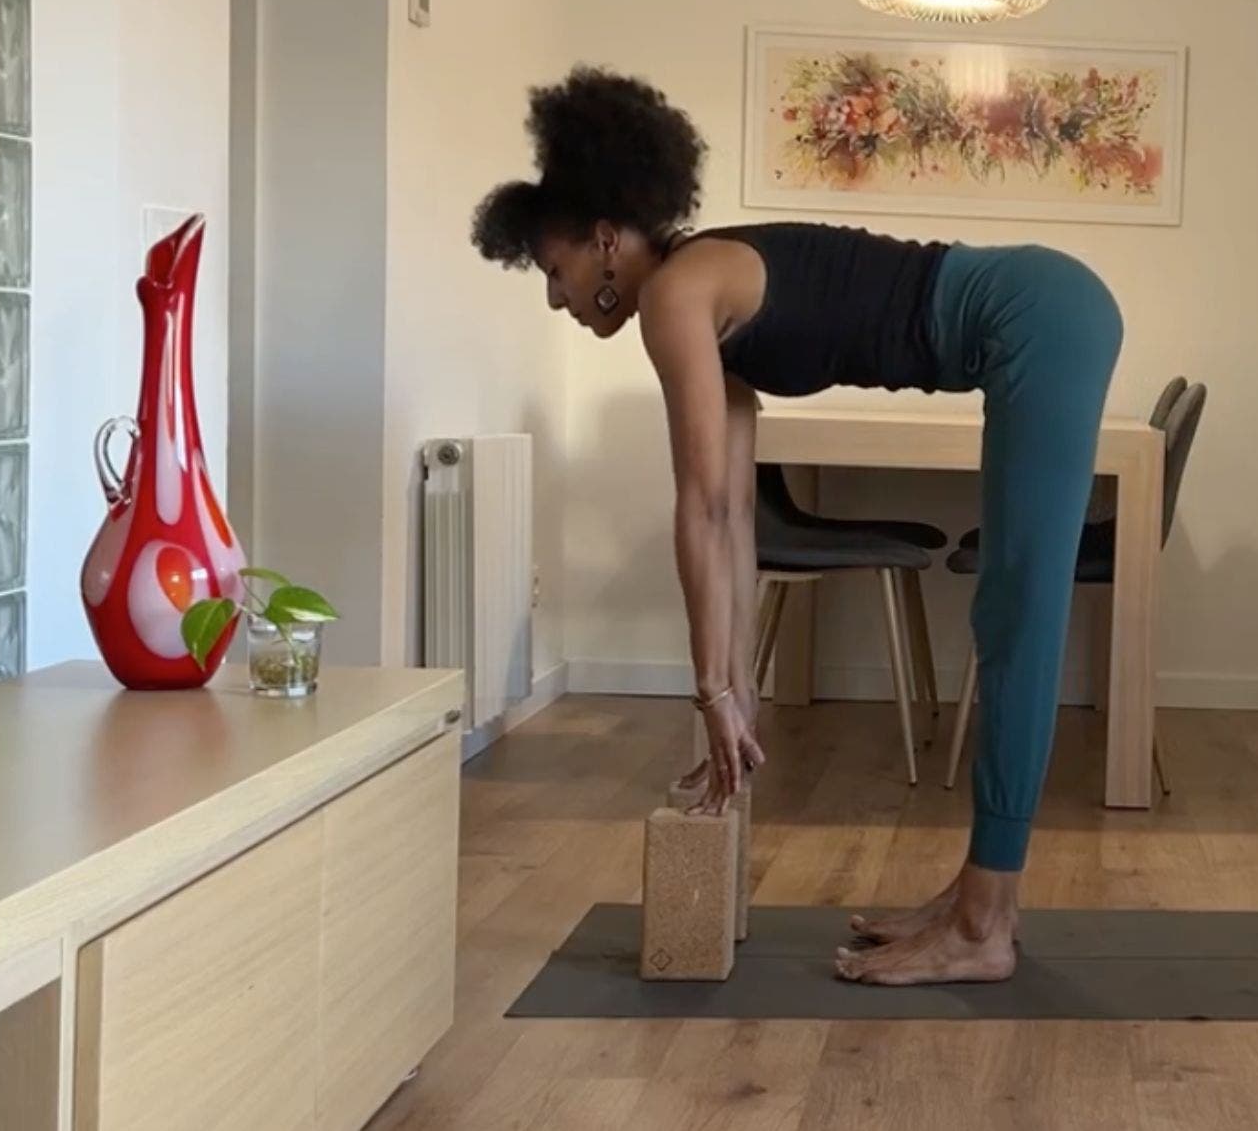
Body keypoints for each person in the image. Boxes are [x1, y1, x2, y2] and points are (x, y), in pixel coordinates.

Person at [471, 67, 1121, 986]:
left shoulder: (676, 296)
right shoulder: (707, 300)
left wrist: (710, 694)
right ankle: (982, 899)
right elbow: (733, 513)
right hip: (1038, 312)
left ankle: (984, 928)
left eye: (556, 269)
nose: (556, 297)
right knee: (1011, 608)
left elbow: (696, 506)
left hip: (1041, 318)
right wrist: (732, 692)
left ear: (607, 241)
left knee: (1017, 608)